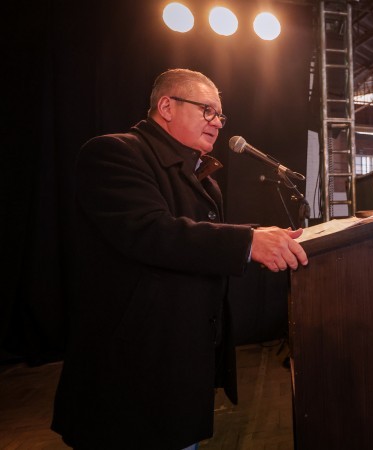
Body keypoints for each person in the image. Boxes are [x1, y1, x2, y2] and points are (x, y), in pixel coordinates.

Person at [51, 69, 309, 450]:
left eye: (221, 116)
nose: (218, 123)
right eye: (208, 110)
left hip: (177, 365)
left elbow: (191, 238)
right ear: (167, 106)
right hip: (129, 371)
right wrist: (249, 242)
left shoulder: (203, 176)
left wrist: (262, 238)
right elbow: (151, 231)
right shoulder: (114, 152)